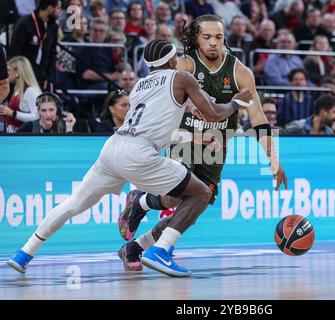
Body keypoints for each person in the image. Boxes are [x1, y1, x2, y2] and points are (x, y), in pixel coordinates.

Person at [6, 39, 253, 277]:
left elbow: (160, 124)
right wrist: (233, 103)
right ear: (172, 60)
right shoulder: (182, 78)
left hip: (113, 148)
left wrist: (194, 135)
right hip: (140, 153)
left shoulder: (139, 86)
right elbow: (212, 114)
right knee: (200, 193)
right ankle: (160, 249)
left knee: (73, 204)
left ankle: (24, 252)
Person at [115, 15, 287, 272]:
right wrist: (188, 107)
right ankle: (143, 208)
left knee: (191, 208)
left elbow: (258, 118)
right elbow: (158, 101)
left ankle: (136, 246)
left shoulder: (240, 72)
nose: (213, 42)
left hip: (216, 145)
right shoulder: (184, 65)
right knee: (177, 195)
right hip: (184, 137)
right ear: (196, 39)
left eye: (218, 37)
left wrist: (273, 160)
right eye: (206, 37)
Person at [9, 0, 61, 90]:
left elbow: (52, 54)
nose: (60, 11)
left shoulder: (53, 27)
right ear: (49, 8)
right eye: (58, 8)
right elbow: (14, 52)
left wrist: (49, 77)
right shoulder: (24, 24)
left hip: (42, 77)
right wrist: (17, 75)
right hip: (24, 77)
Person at [0, 56, 42, 132]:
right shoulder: (18, 90)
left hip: (24, 139)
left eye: (9, 70)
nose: (6, 73)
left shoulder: (30, 91)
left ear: (17, 72)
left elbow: (38, 116)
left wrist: (12, 113)